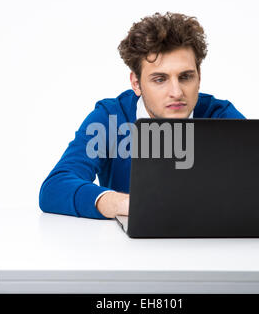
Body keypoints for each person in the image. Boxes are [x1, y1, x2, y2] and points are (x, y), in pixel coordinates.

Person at [39, 12, 246, 220]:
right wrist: (126, 204)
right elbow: (55, 187)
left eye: (185, 77)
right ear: (136, 84)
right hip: (131, 249)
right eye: (159, 79)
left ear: (199, 77)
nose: (176, 92)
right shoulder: (111, 118)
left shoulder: (220, 116)